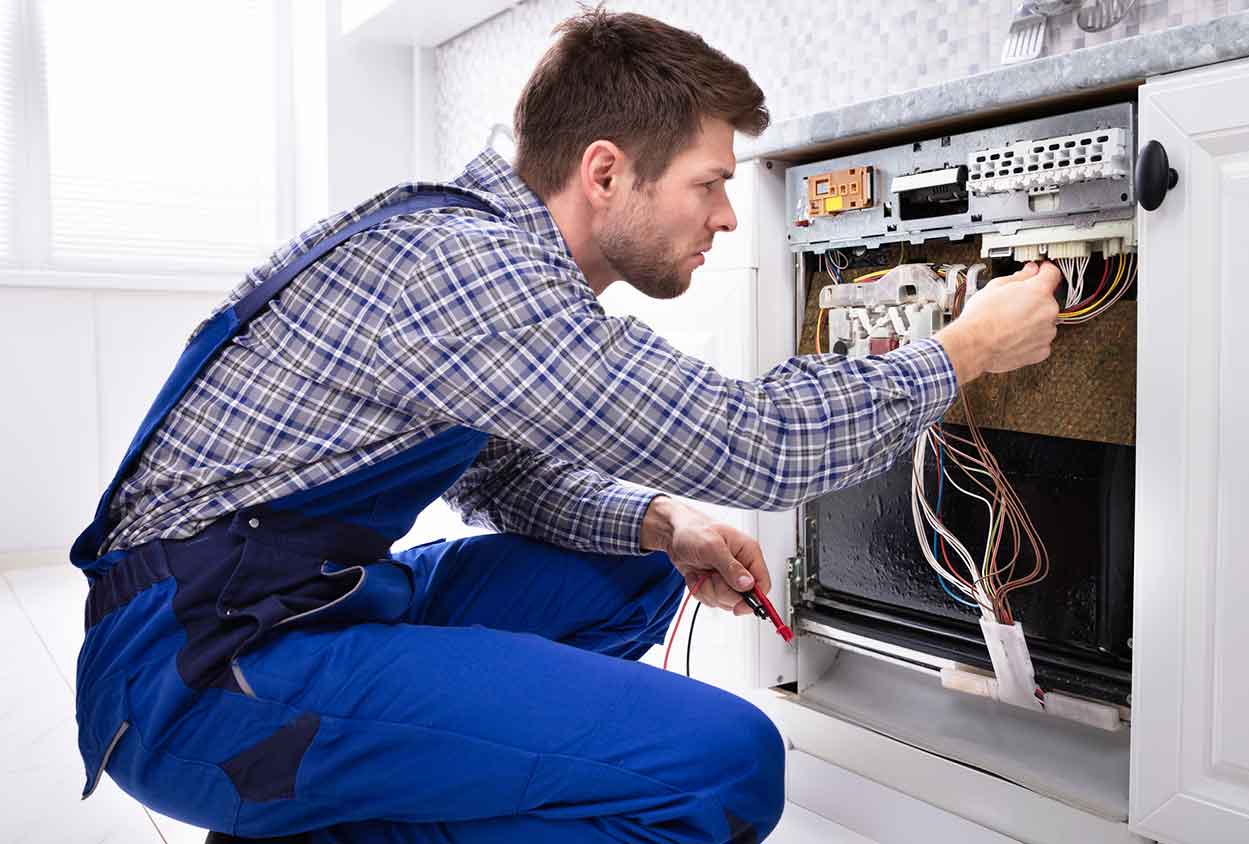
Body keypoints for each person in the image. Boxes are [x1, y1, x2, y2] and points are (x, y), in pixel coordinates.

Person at [70, 8, 1062, 844]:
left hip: (289, 607)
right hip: (192, 677)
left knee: (637, 562)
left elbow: (497, 478)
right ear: (604, 173)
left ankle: (377, 783)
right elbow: (754, 441)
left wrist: (660, 524)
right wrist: (963, 349)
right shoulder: (472, 272)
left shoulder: (473, 242)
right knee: (726, 768)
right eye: (709, 181)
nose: (725, 216)